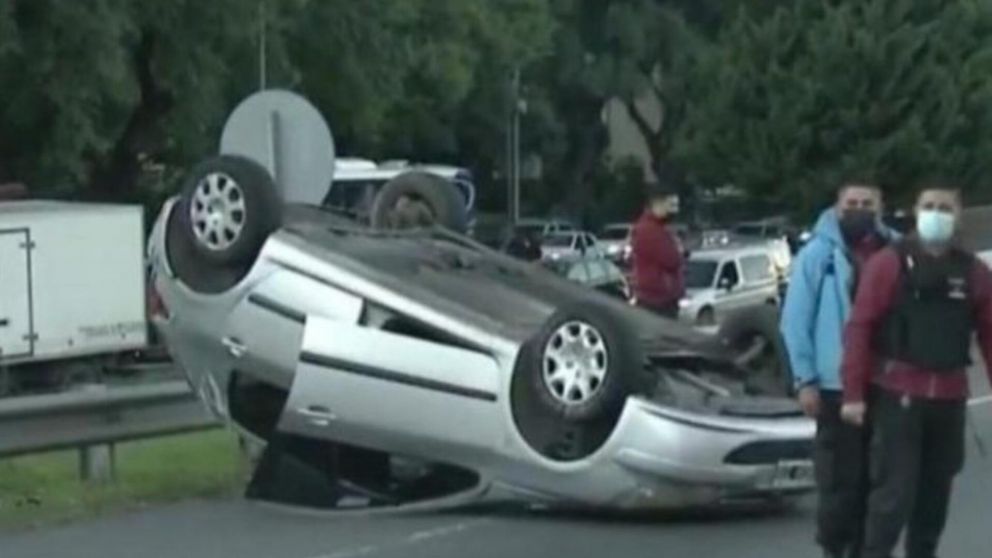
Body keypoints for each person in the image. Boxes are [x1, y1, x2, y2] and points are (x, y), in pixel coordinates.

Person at [840, 182, 992, 558]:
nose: (936, 214)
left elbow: (990, 333)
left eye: (945, 207)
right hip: (899, 398)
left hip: (950, 400)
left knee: (934, 503)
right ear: (915, 211)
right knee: (893, 498)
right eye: (929, 206)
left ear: (958, 217)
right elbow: (860, 327)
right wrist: (854, 394)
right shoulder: (889, 262)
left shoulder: (973, 272)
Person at [780, 182, 895, 558]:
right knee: (839, 483)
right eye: (852, 203)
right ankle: (835, 549)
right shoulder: (817, 255)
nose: (859, 209)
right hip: (833, 386)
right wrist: (805, 379)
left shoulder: (895, 251)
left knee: (880, 483)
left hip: (886, 383)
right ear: (837, 207)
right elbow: (795, 321)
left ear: (880, 208)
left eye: (867, 203)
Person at [630, 184, 684, 318]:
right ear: (658, 203)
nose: (675, 211)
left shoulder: (657, 228)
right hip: (656, 300)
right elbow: (672, 260)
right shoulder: (650, 230)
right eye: (671, 206)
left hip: (660, 298)